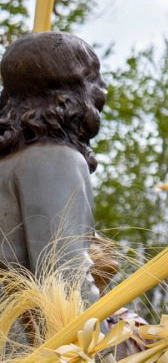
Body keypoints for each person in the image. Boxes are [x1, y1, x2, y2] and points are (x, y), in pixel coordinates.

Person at [0, 31, 105, 303]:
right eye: (92, 77)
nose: (102, 88)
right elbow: (64, 279)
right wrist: (103, 330)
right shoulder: (54, 160)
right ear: (67, 93)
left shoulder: (10, 163)